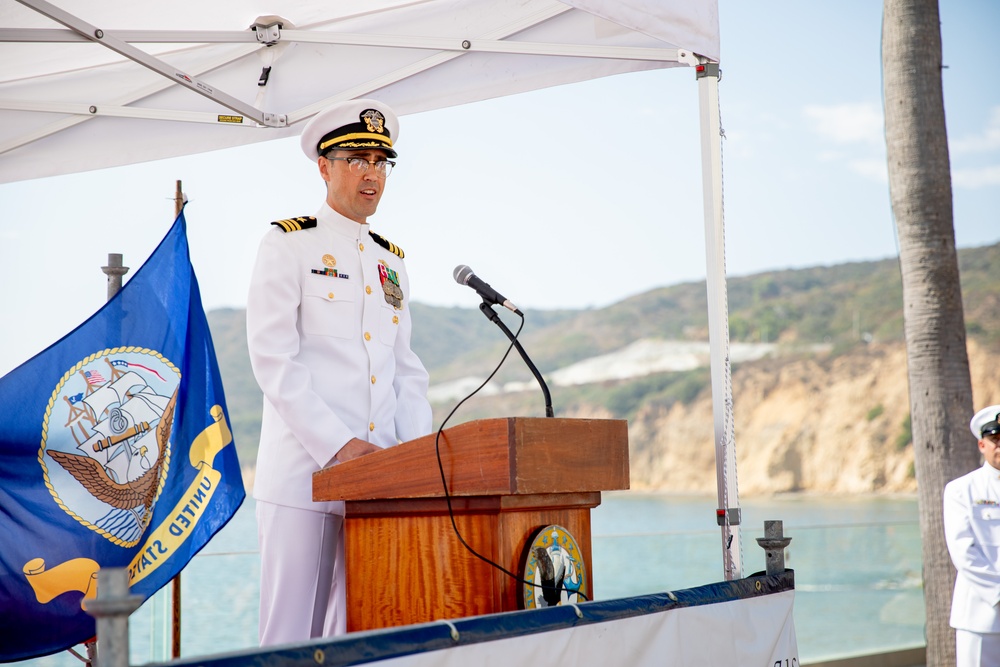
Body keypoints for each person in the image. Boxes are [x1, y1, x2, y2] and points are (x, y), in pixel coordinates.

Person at [246, 98, 433, 646]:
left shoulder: (390, 260)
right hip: (304, 475)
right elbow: (273, 359)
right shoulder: (288, 242)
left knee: (360, 633)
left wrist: (415, 463)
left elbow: (406, 371)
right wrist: (339, 446)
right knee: (289, 639)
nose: (370, 173)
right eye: (356, 158)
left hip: (379, 482)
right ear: (324, 166)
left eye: (381, 161)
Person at [944, 404, 1000, 666]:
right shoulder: (961, 490)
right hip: (980, 618)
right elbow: (964, 553)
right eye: (995, 439)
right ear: (982, 445)